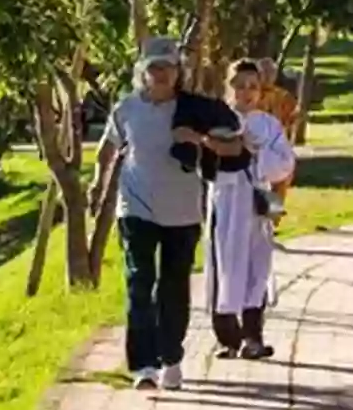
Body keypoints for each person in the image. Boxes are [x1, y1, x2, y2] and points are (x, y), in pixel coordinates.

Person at [89, 37, 245, 390]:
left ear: (179, 72)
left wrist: (200, 141)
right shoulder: (127, 108)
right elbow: (109, 146)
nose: (161, 74)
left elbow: (236, 144)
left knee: (173, 288)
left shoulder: (196, 110)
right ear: (142, 73)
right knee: (139, 281)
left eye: (168, 68)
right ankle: (143, 365)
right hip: (136, 208)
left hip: (182, 212)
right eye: (154, 68)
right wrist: (98, 183)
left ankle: (171, 357)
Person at [205, 59, 296, 360]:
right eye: (238, 85)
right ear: (227, 87)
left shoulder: (268, 125)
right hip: (227, 201)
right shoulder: (216, 120)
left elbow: (285, 164)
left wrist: (258, 152)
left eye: (252, 87)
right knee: (225, 266)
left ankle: (253, 337)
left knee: (257, 269)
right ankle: (227, 338)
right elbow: (205, 163)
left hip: (255, 203)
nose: (245, 93)